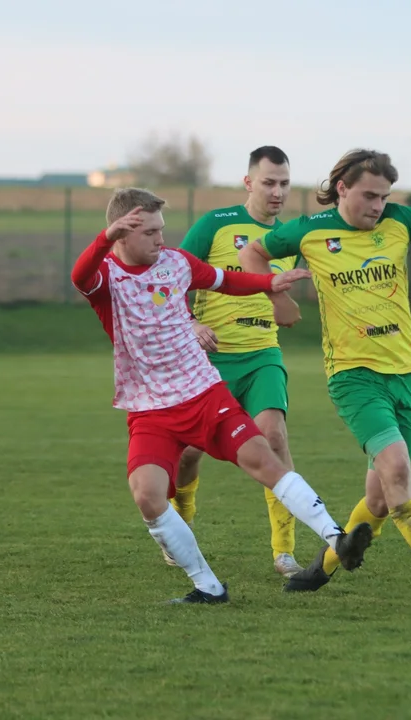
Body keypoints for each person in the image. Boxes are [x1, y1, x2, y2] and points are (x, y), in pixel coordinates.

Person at [71, 186, 372, 604]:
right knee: (147, 494)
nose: (161, 239)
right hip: (149, 410)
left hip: (202, 393)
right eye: (150, 232)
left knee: (263, 458)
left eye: (162, 229)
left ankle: (337, 538)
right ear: (121, 234)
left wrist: (269, 282)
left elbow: (225, 280)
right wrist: (102, 240)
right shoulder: (107, 276)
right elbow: (78, 276)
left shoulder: (175, 263)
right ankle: (207, 586)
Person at [239, 149, 411, 607]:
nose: (377, 206)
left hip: (406, 373)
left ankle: (322, 567)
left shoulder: (400, 221)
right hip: (353, 375)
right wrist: (274, 297)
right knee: (397, 470)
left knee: (381, 498)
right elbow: (253, 252)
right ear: (343, 189)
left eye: (384, 197)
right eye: (369, 195)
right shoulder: (310, 231)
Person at [169, 146, 305, 579]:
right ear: (249, 182)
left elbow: (281, 302)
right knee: (189, 453)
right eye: (269, 182)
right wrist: (189, 322)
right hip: (210, 360)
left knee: (273, 437)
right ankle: (182, 526)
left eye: (284, 183)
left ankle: (284, 551)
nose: (277, 191)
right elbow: (169, 279)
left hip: (263, 354)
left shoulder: (287, 239)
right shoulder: (216, 224)